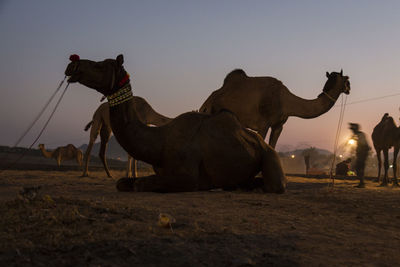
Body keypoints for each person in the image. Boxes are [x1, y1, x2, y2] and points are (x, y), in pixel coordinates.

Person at [349, 123, 371, 188]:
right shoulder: (359, 135)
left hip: (362, 153)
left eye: (353, 130)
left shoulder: (360, 135)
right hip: (361, 153)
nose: (352, 131)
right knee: (359, 167)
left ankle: (362, 183)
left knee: (359, 167)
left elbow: (362, 144)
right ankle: (361, 183)